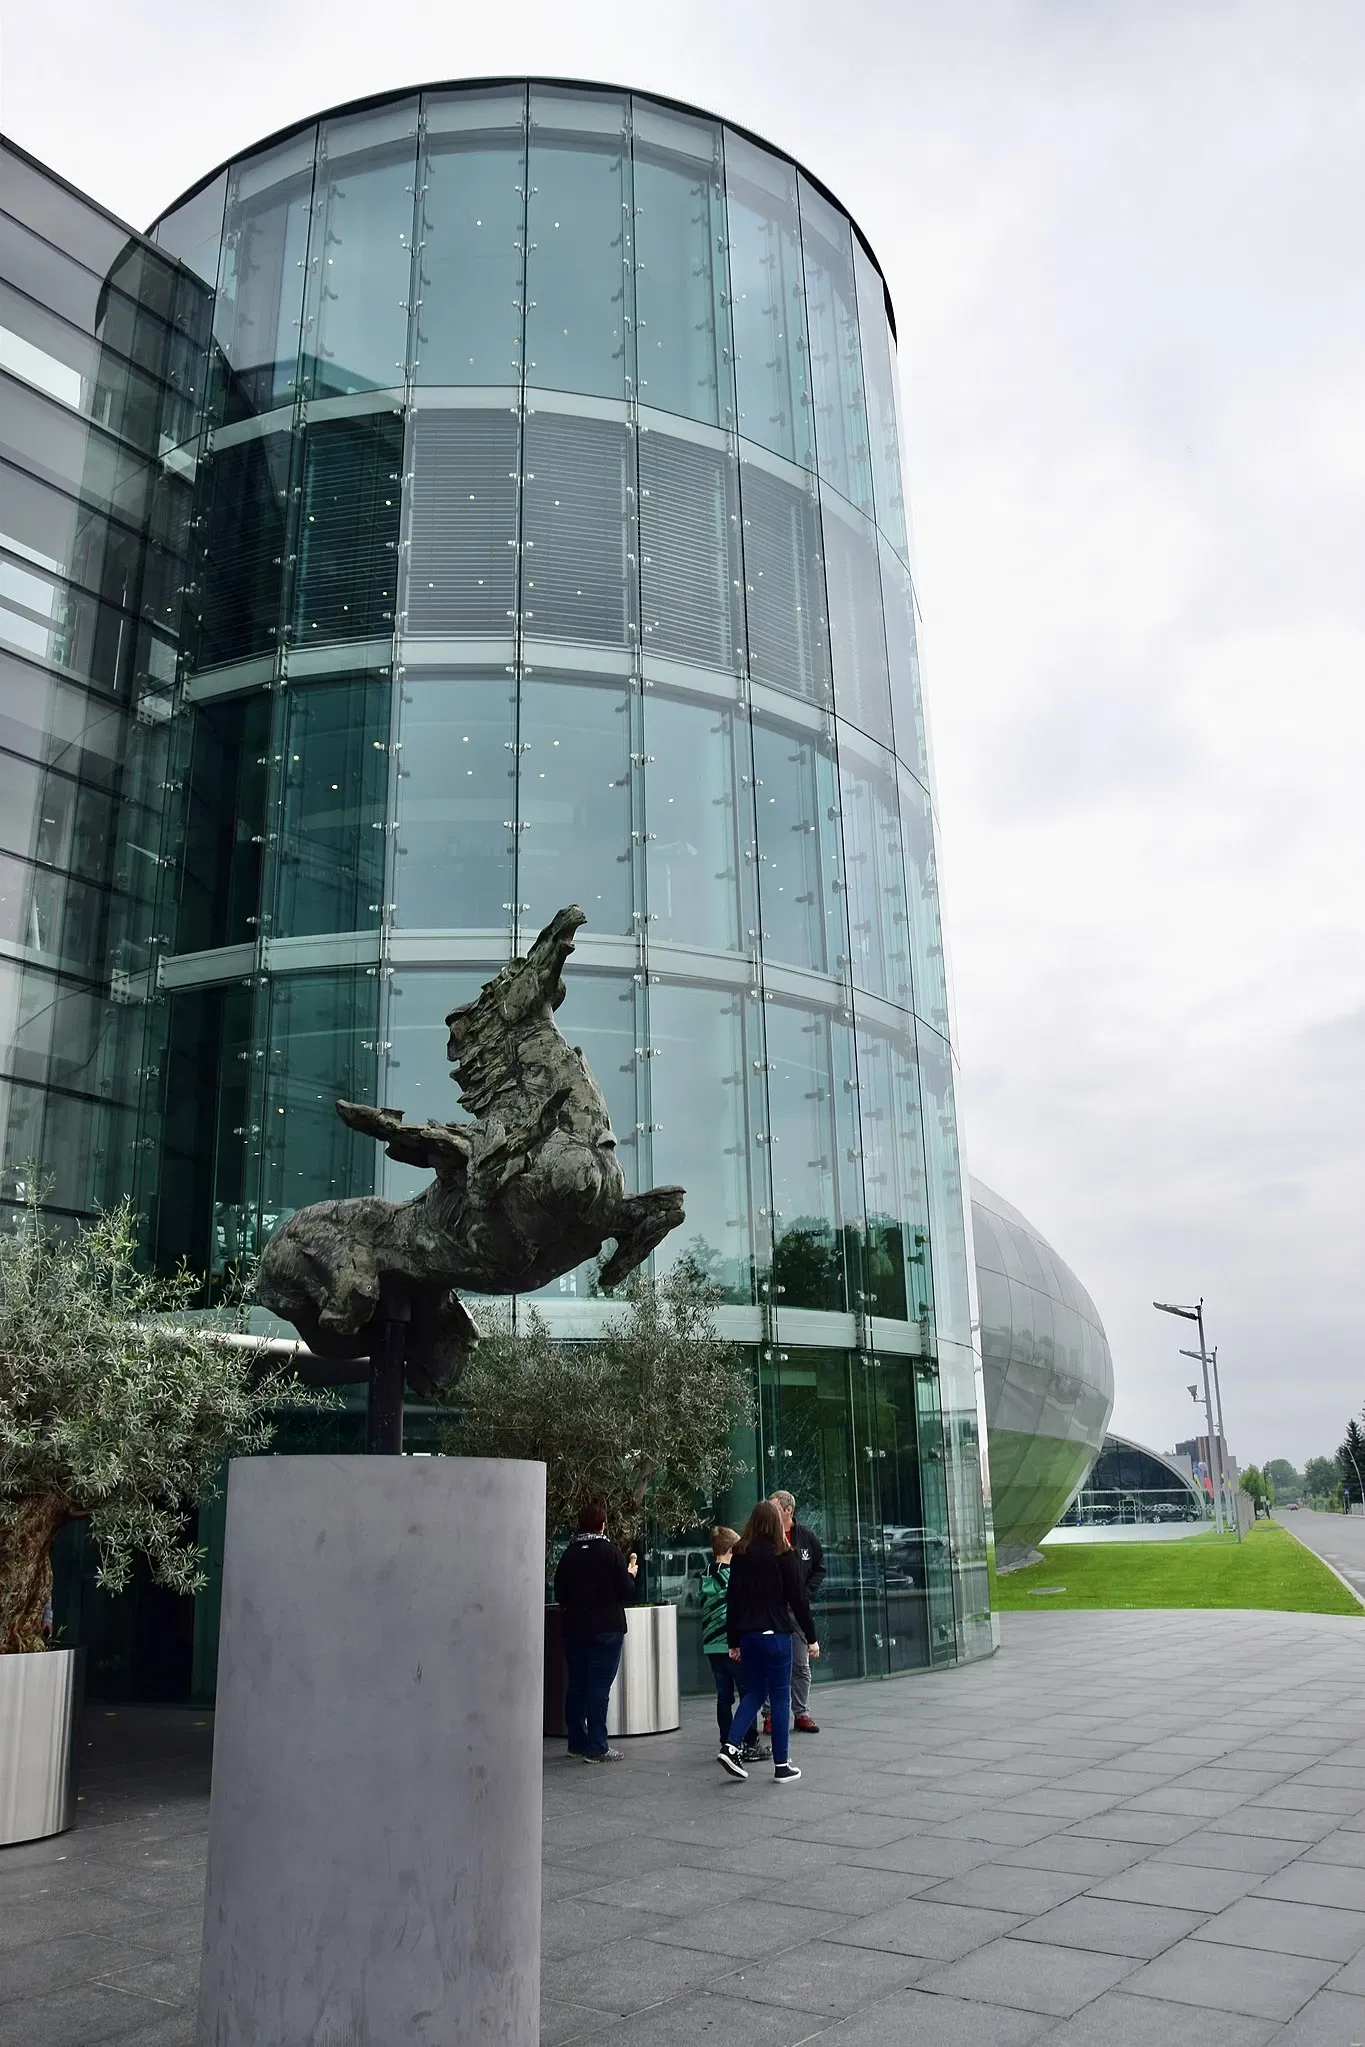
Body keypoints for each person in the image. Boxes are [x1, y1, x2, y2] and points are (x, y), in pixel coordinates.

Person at [717, 1500, 819, 1784]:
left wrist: (733, 1640)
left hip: (749, 1635)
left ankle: (731, 1744)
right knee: (780, 1696)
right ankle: (781, 1764)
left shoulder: (740, 1555)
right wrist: (811, 1638)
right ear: (776, 1522)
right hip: (777, 1634)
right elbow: (798, 1599)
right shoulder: (785, 1555)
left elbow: (733, 1601)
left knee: (754, 1693)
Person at [553, 1502, 637, 1762]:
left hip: (575, 1628)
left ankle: (576, 1742)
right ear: (603, 1524)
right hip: (607, 1628)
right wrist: (631, 1574)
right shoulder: (611, 1553)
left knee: (577, 1685)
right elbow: (626, 1593)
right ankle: (597, 1746)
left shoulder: (569, 1555)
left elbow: (560, 1595)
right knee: (599, 1686)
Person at [768, 1490, 825, 1735]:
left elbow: (819, 1568)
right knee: (772, 1663)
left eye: (774, 1508)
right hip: (772, 1612)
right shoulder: (766, 1539)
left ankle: (802, 1713)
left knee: (801, 1665)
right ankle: (769, 1715)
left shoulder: (806, 1538)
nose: (770, 1513)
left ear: (787, 1510)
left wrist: (805, 1592)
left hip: (797, 1611)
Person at [698, 1526, 740, 1747]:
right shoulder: (731, 1575)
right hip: (731, 1644)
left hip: (711, 1645)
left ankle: (725, 1739)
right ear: (732, 1549)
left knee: (724, 1696)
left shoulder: (705, 1574)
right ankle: (746, 1740)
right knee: (747, 1693)